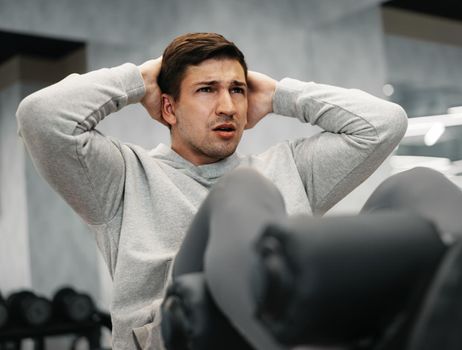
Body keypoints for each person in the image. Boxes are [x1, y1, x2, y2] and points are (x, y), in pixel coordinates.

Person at [16, 32, 408, 349]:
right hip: (178, 336)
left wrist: (278, 95)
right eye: (207, 90)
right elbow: (41, 117)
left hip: (286, 332)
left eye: (237, 90)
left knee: (416, 187)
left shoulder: (290, 168)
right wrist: (140, 79)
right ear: (168, 109)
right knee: (243, 192)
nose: (228, 106)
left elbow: (384, 123)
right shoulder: (122, 178)